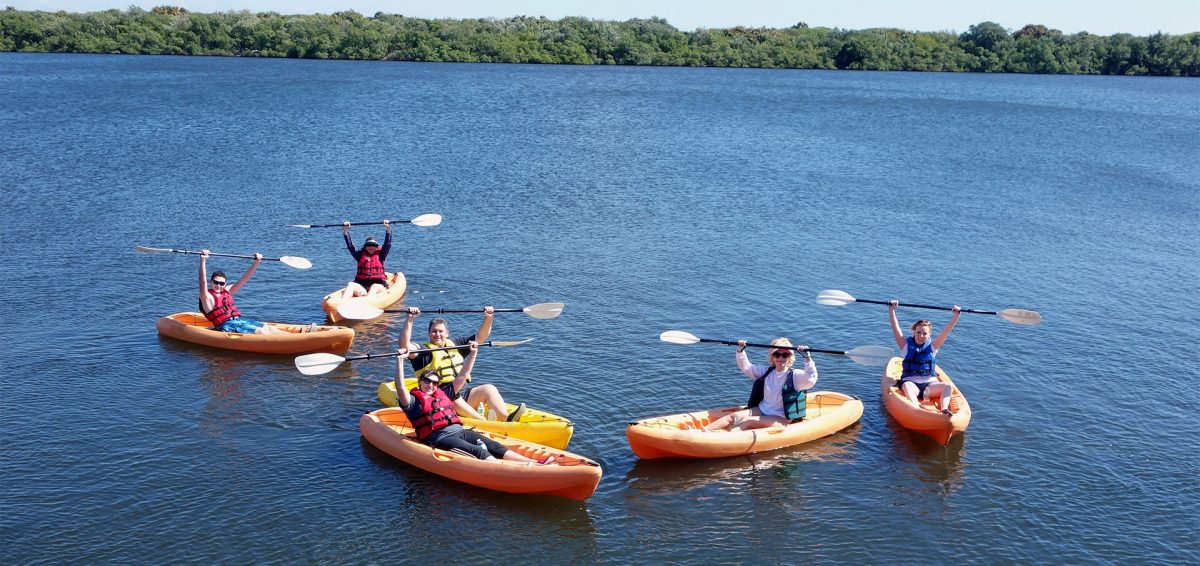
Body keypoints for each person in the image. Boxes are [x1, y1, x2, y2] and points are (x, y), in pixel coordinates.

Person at [394, 338, 553, 465]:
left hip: (460, 431)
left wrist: (473, 353)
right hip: (439, 438)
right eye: (427, 381)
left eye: (434, 383)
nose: (430, 385)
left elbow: (463, 376)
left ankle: (534, 463)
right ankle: (513, 470)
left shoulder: (444, 393)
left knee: (494, 446)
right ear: (420, 382)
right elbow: (400, 387)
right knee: (479, 451)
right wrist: (400, 361)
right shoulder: (413, 401)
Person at [400, 306, 528, 422]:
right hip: (441, 398)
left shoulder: (456, 345)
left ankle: (507, 419)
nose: (437, 334)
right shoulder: (423, 351)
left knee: (489, 389)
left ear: (447, 333)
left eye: (441, 331)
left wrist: (489, 318)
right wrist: (409, 320)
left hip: (464, 393)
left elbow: (481, 337)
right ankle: (485, 422)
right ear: (429, 333)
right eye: (434, 331)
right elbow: (405, 346)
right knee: (454, 397)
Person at [703, 338, 818, 431]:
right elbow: (747, 368)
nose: (780, 358)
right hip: (762, 410)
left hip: (781, 418)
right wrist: (740, 351)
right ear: (772, 357)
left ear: (790, 357)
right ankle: (704, 430)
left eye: (785, 355)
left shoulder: (795, 375)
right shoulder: (767, 372)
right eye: (777, 354)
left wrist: (807, 358)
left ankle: (726, 439)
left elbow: (810, 379)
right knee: (734, 416)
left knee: (748, 421)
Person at [888, 300, 962, 415]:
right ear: (914, 332)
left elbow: (947, 331)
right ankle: (916, 408)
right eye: (918, 332)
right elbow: (895, 327)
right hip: (911, 384)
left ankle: (944, 409)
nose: (921, 336)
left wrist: (956, 315)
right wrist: (891, 309)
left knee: (948, 386)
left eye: (925, 333)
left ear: (929, 334)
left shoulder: (933, 346)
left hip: (930, 386)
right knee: (906, 385)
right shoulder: (905, 346)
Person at [198, 250, 288, 335]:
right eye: (216, 282)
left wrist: (256, 263)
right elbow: (202, 282)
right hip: (227, 325)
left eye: (221, 283)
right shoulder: (207, 297)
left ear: (225, 284)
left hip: (240, 320)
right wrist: (203, 260)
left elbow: (243, 280)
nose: (218, 285)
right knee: (261, 331)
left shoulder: (226, 291)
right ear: (211, 282)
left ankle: (292, 338)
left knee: (269, 328)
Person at [341, 220, 392, 300]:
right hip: (363, 287)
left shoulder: (381, 255)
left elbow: (387, 244)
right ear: (365, 247)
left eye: (373, 245)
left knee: (374, 286)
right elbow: (350, 246)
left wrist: (388, 229)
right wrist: (345, 231)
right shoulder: (359, 255)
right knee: (350, 284)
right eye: (368, 245)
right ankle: (343, 302)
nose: (371, 247)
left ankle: (367, 302)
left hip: (378, 286)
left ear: (376, 247)